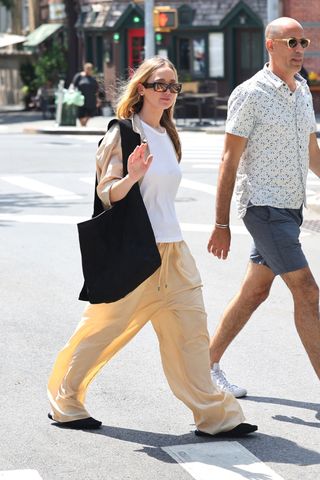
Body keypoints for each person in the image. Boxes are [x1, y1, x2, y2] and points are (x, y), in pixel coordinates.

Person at [47, 56, 257, 437]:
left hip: (173, 253)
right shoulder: (122, 133)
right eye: (160, 84)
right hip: (135, 256)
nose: (168, 92)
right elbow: (107, 192)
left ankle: (215, 416)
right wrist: (132, 175)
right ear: (141, 88)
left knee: (191, 335)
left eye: (173, 86)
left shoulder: (169, 136)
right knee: (101, 332)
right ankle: (66, 401)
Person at [207, 17, 320, 398]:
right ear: (270, 45)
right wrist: (220, 223)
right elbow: (228, 160)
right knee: (306, 290)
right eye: (291, 42)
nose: (299, 49)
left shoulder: (302, 90)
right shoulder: (250, 93)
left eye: (302, 41)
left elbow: (311, 152)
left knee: (255, 291)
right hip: (263, 207)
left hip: (290, 209)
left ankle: (204, 364)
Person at [72, 62, 100, 126]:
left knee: (91, 112)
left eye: (90, 69)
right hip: (80, 99)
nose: (88, 70)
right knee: (80, 114)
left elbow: (97, 89)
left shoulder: (93, 79)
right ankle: (83, 125)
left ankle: (84, 124)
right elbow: (73, 85)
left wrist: (98, 99)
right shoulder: (79, 76)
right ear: (84, 69)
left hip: (91, 99)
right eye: (87, 69)